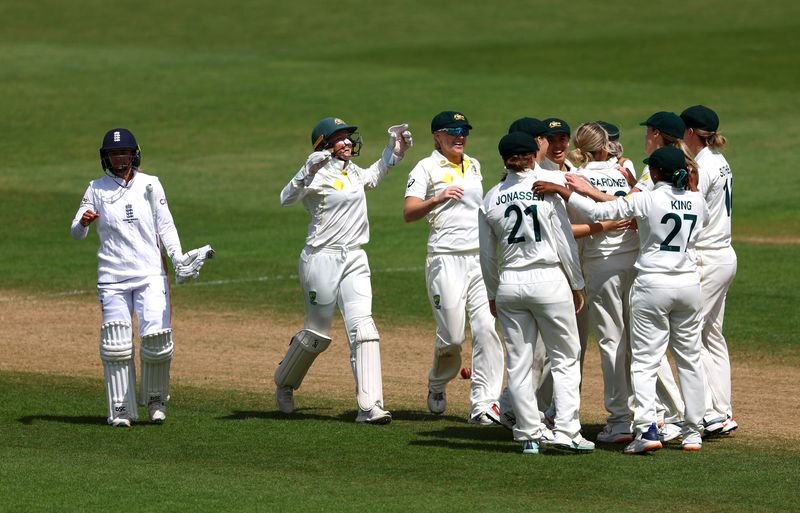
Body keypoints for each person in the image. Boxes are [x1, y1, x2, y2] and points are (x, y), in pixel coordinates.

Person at [535, 146, 708, 453]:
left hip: (653, 284)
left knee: (644, 360)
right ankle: (693, 431)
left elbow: (599, 213)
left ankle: (646, 431)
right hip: (689, 285)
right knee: (690, 357)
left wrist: (564, 191)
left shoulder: (647, 198)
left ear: (655, 173)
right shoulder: (697, 200)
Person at [275, 117, 412, 424]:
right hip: (321, 259)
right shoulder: (315, 175)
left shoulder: (351, 172)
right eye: (340, 138)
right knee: (316, 336)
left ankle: (370, 406)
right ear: (324, 145)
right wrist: (305, 171)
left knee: (364, 328)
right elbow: (285, 199)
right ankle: (284, 383)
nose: (348, 142)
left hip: (355, 259)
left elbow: (374, 176)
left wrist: (396, 151)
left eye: (349, 137)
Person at [70, 128, 203, 427]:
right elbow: (76, 232)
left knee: (156, 339)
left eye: (125, 152)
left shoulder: (151, 185)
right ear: (106, 157)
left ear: (134, 154)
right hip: (113, 277)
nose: (120, 157)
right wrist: (84, 221)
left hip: (150, 274)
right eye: (114, 153)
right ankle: (120, 408)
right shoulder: (96, 189)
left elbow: (166, 226)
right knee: (117, 345)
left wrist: (177, 257)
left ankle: (156, 402)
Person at [479, 132, 593, 454]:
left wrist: (491, 292)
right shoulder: (545, 188)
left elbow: (486, 255)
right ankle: (568, 431)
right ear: (533, 155)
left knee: (519, 362)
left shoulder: (490, 197)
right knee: (566, 358)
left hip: (510, 284)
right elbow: (564, 241)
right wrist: (577, 283)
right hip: (548, 279)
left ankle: (528, 433)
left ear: (504, 160)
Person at [403, 111, 504, 424]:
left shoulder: (473, 164)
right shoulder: (426, 167)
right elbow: (409, 212)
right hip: (444, 258)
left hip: (477, 258)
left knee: (487, 330)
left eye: (464, 131)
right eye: (453, 131)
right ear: (436, 135)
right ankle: (437, 381)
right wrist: (438, 198)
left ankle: (483, 405)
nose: (460, 136)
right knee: (452, 338)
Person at [566, 122, 639, 443]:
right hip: (636, 262)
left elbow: (569, 227)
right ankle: (647, 415)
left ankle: (620, 421)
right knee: (639, 344)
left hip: (602, 265)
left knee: (612, 342)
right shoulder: (623, 172)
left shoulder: (577, 178)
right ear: (606, 145)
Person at [680, 104, 737, 435]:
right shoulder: (720, 161)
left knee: (689, 336)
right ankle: (721, 410)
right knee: (711, 335)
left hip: (706, 257)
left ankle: (706, 414)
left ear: (690, 132)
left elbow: (693, 212)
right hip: (724, 255)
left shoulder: (701, 166)